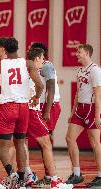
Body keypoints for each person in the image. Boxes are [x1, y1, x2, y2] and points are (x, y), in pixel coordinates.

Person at [0, 37, 43, 188]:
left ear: (5, 50)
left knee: (2, 145)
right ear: (17, 48)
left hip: (8, 107)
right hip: (24, 107)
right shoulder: (28, 63)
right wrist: (36, 97)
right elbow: (39, 85)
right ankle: (21, 178)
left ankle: (11, 173)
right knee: (20, 143)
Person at [25, 48, 73, 189]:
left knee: (43, 140)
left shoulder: (46, 65)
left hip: (48, 105)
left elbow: (50, 88)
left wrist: (46, 111)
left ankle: (46, 176)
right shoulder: (32, 67)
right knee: (40, 142)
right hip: (37, 105)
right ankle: (48, 177)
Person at [66, 44, 101, 188]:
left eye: (79, 52)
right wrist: (73, 111)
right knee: (69, 138)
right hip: (80, 108)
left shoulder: (95, 70)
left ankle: (100, 175)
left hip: (91, 108)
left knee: (95, 142)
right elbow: (77, 93)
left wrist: (97, 115)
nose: (77, 54)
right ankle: (77, 173)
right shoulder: (80, 70)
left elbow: (98, 95)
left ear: (86, 53)